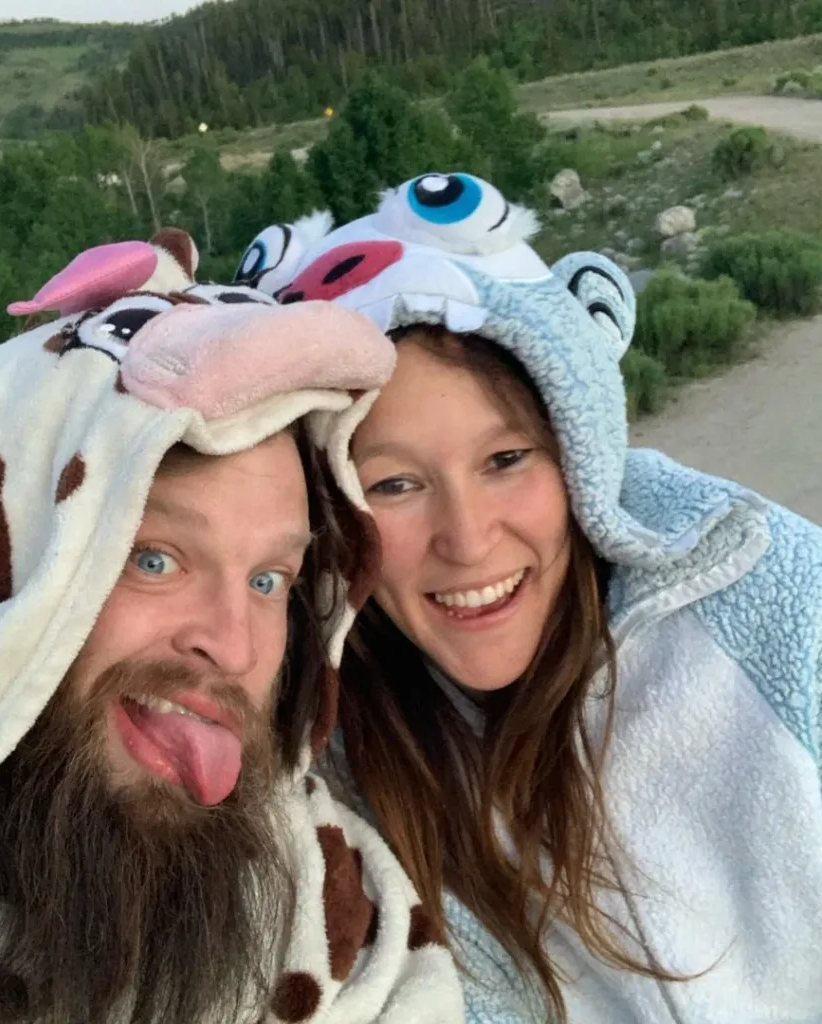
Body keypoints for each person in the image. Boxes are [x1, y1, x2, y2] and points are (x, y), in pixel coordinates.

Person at [0, 233, 465, 1024]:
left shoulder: (344, 908)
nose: (234, 644)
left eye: (267, 581)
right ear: (3, 567)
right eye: (154, 559)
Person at [236, 174, 822, 1022]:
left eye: (507, 460)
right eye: (394, 484)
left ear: (580, 451)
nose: (468, 539)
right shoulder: (321, 757)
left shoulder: (780, 610)